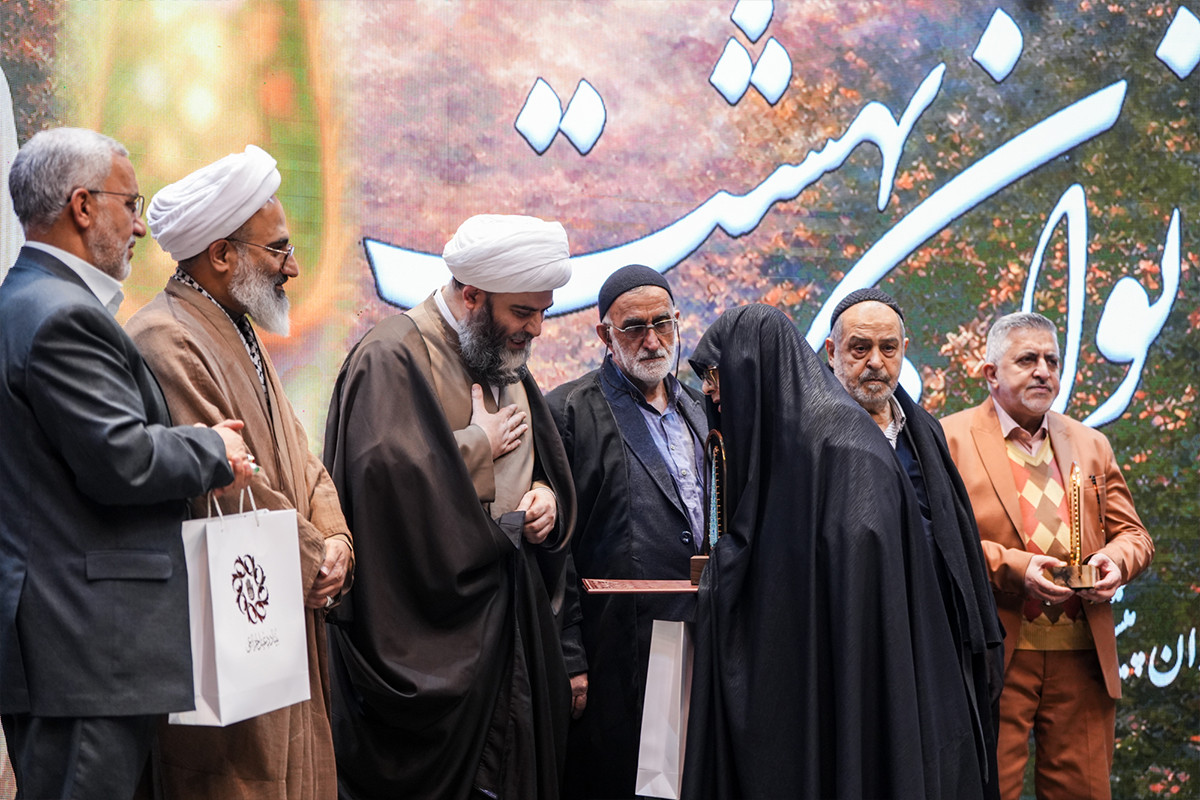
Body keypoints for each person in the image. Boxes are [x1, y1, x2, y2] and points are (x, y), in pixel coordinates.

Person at [0, 127, 252, 799]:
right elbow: (120, 459)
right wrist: (212, 447)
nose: (140, 226)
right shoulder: (61, 315)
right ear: (82, 206)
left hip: (74, 646)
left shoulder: (29, 301)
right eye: (131, 203)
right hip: (86, 646)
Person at [681, 303, 994, 800]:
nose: (710, 394)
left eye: (717, 378)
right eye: (860, 348)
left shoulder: (839, 445)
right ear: (829, 352)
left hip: (866, 668)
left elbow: (853, 572)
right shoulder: (804, 441)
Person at [124, 145, 353, 799]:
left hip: (290, 597)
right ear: (222, 254)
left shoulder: (237, 327)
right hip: (235, 616)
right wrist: (315, 559)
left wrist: (337, 542)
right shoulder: (165, 338)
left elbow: (300, 457)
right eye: (278, 250)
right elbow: (230, 482)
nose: (294, 266)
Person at [323, 214, 578, 800]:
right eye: (523, 312)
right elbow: (381, 491)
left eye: (542, 312)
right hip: (430, 650)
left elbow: (539, 461)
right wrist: (477, 447)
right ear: (472, 296)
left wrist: (545, 498)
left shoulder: (498, 353)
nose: (536, 329)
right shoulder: (391, 356)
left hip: (507, 634)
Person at [942, 311, 1154, 800]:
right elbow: (937, 542)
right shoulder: (948, 439)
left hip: (1083, 656)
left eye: (1052, 361)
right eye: (1027, 360)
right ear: (990, 373)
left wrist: (1116, 562)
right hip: (993, 654)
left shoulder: (1091, 443)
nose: (1043, 371)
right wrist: (1017, 569)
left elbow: (1134, 536)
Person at [825, 288, 1005, 798]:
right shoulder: (813, 436)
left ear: (904, 349)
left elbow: (955, 538)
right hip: (862, 641)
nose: (875, 362)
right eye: (860, 348)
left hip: (938, 636)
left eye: (888, 348)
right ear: (831, 351)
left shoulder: (924, 428)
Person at [546, 265, 707, 800]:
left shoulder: (698, 409)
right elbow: (555, 550)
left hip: (703, 632)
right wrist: (570, 655)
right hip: (623, 644)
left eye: (662, 323)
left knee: (693, 779)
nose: (652, 340)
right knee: (643, 783)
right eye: (634, 328)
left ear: (678, 321)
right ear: (604, 335)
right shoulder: (569, 412)